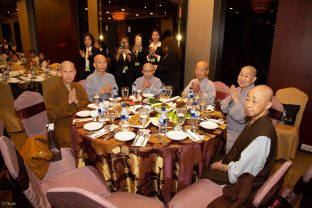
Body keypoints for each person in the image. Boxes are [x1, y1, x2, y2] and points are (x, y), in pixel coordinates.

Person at [204, 85, 277, 186]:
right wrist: (224, 162)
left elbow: (241, 171)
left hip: (244, 182)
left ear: (267, 105)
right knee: (210, 162)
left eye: (254, 101)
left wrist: (221, 166)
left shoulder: (262, 136)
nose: (248, 105)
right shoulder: (256, 119)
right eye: (247, 99)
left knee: (205, 174)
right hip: (237, 167)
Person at [46, 61, 89, 147]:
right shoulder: (52, 91)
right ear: (60, 73)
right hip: (63, 124)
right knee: (76, 140)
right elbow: (51, 114)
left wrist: (76, 101)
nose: (68, 75)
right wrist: (68, 102)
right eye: (65, 71)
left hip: (80, 121)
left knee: (92, 134)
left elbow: (86, 103)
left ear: (75, 72)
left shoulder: (78, 86)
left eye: (71, 71)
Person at [220, 66, 257, 154]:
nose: (242, 78)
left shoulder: (254, 94)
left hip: (240, 131)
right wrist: (231, 99)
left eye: (247, 76)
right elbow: (223, 106)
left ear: (254, 79)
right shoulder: (237, 89)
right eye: (241, 75)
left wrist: (235, 100)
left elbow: (242, 117)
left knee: (232, 158)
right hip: (228, 126)